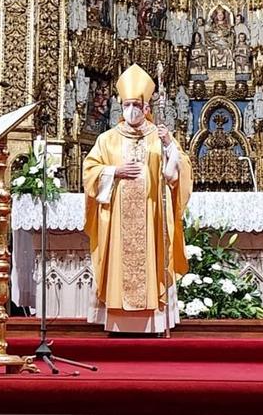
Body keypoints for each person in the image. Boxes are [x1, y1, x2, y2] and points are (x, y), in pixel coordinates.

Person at [83, 64, 192, 334]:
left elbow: (177, 175)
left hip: (151, 218)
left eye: (136, 104)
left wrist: (169, 147)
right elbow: (89, 171)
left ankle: (154, 322)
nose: (131, 110)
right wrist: (114, 171)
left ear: (146, 108)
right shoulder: (107, 140)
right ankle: (116, 322)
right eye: (126, 104)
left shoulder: (160, 137)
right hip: (118, 219)